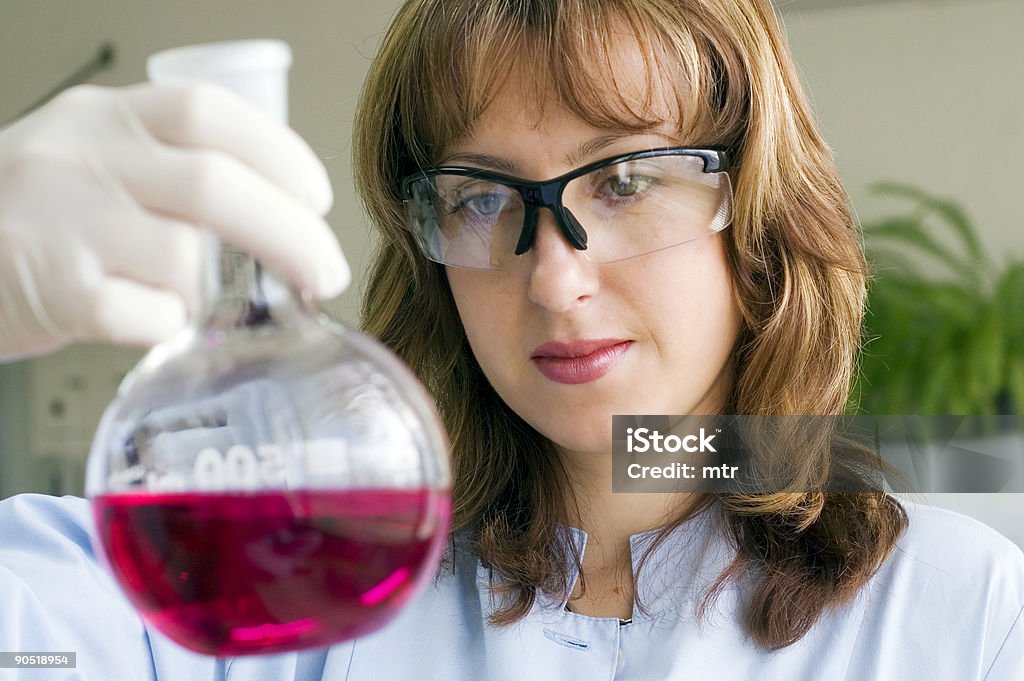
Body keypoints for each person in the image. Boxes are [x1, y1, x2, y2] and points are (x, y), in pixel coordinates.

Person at [0, 0, 1022, 679]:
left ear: (755, 213)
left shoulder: (958, 612)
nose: (555, 278)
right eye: (483, 196)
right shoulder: (271, 582)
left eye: (624, 180)